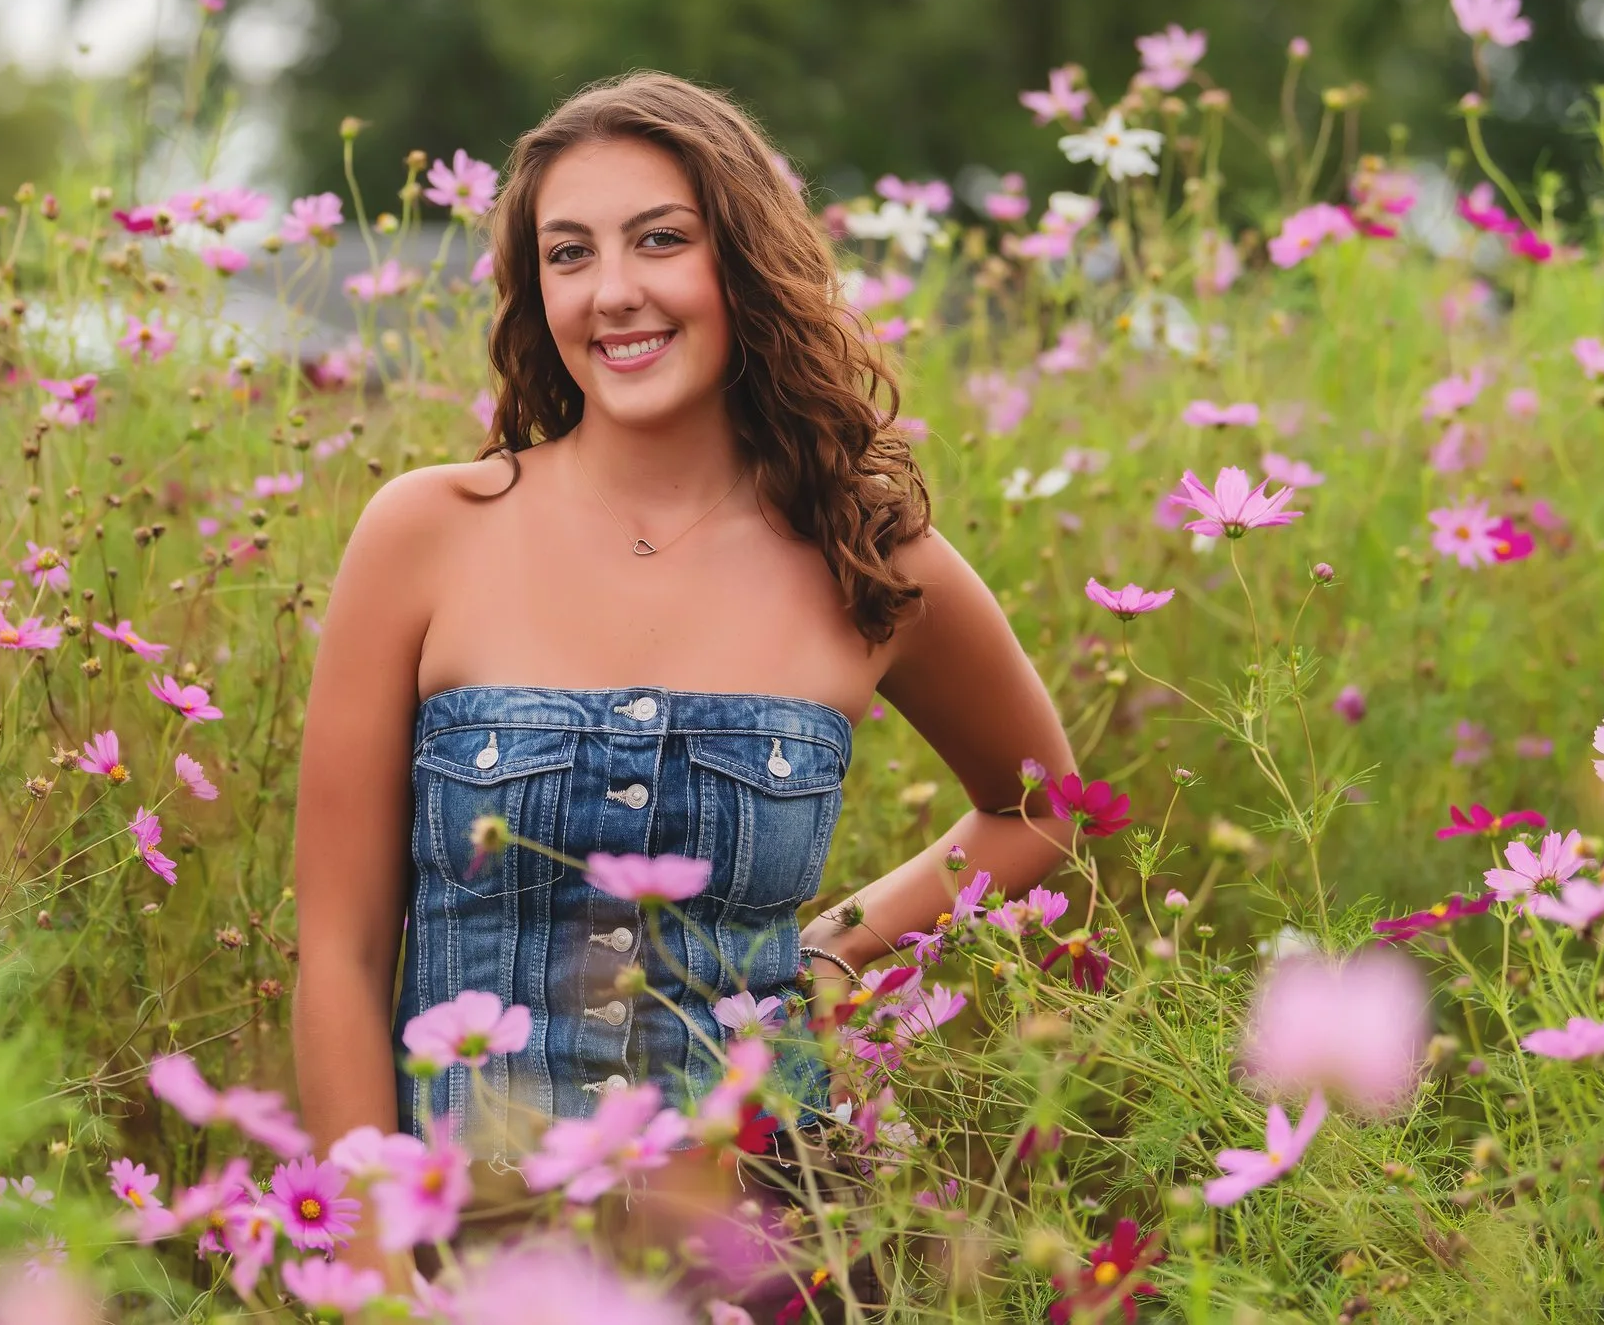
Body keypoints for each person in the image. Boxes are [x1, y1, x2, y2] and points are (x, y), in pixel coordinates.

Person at [291, 71, 1076, 1259]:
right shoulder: (425, 533)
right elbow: (342, 953)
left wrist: (835, 949)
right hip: (477, 1251)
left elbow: (1043, 808)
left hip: (759, 1246)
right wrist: (371, 1268)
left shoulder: (867, 553)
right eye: (569, 253)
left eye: (660, 239)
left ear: (745, 264)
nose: (612, 290)